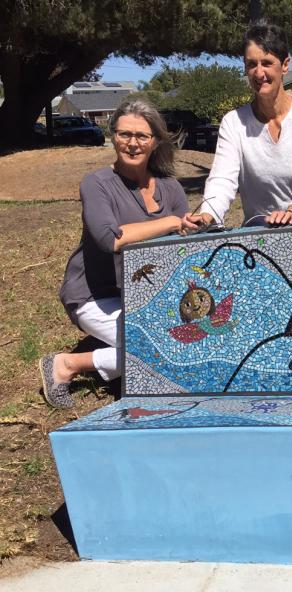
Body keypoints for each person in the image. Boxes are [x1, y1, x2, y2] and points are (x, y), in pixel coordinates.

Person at [39, 100, 200, 408]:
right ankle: (66, 365)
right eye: (124, 134)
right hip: (95, 295)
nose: (133, 143)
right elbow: (108, 239)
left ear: (155, 141)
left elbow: (184, 249)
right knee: (159, 348)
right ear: (113, 136)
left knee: (187, 343)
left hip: (147, 295)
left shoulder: (171, 188)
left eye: (142, 136)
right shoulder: (97, 183)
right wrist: (170, 221)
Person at [197, 20, 292, 228]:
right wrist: (206, 216)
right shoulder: (233, 122)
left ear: (285, 65)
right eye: (251, 64)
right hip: (258, 233)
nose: (259, 73)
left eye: (267, 63)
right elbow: (222, 179)